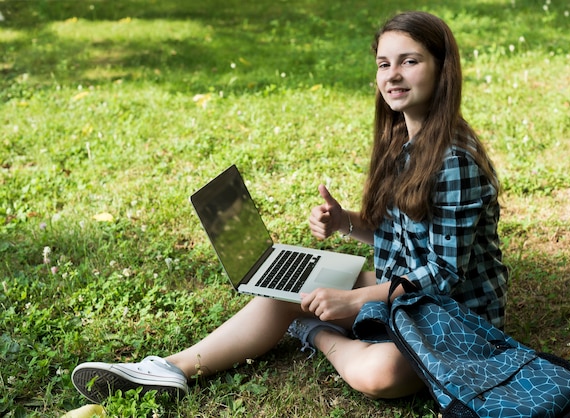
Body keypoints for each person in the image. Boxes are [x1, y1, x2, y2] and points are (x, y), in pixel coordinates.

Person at [71, 10, 508, 403]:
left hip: (459, 317)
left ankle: (313, 332)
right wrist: (346, 223)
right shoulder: (402, 140)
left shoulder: (453, 160)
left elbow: (442, 277)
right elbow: (404, 239)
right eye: (383, 63)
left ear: (441, 69)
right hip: (407, 289)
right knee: (294, 285)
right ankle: (169, 368)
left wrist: (353, 301)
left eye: (409, 61)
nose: (392, 75)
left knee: (381, 373)